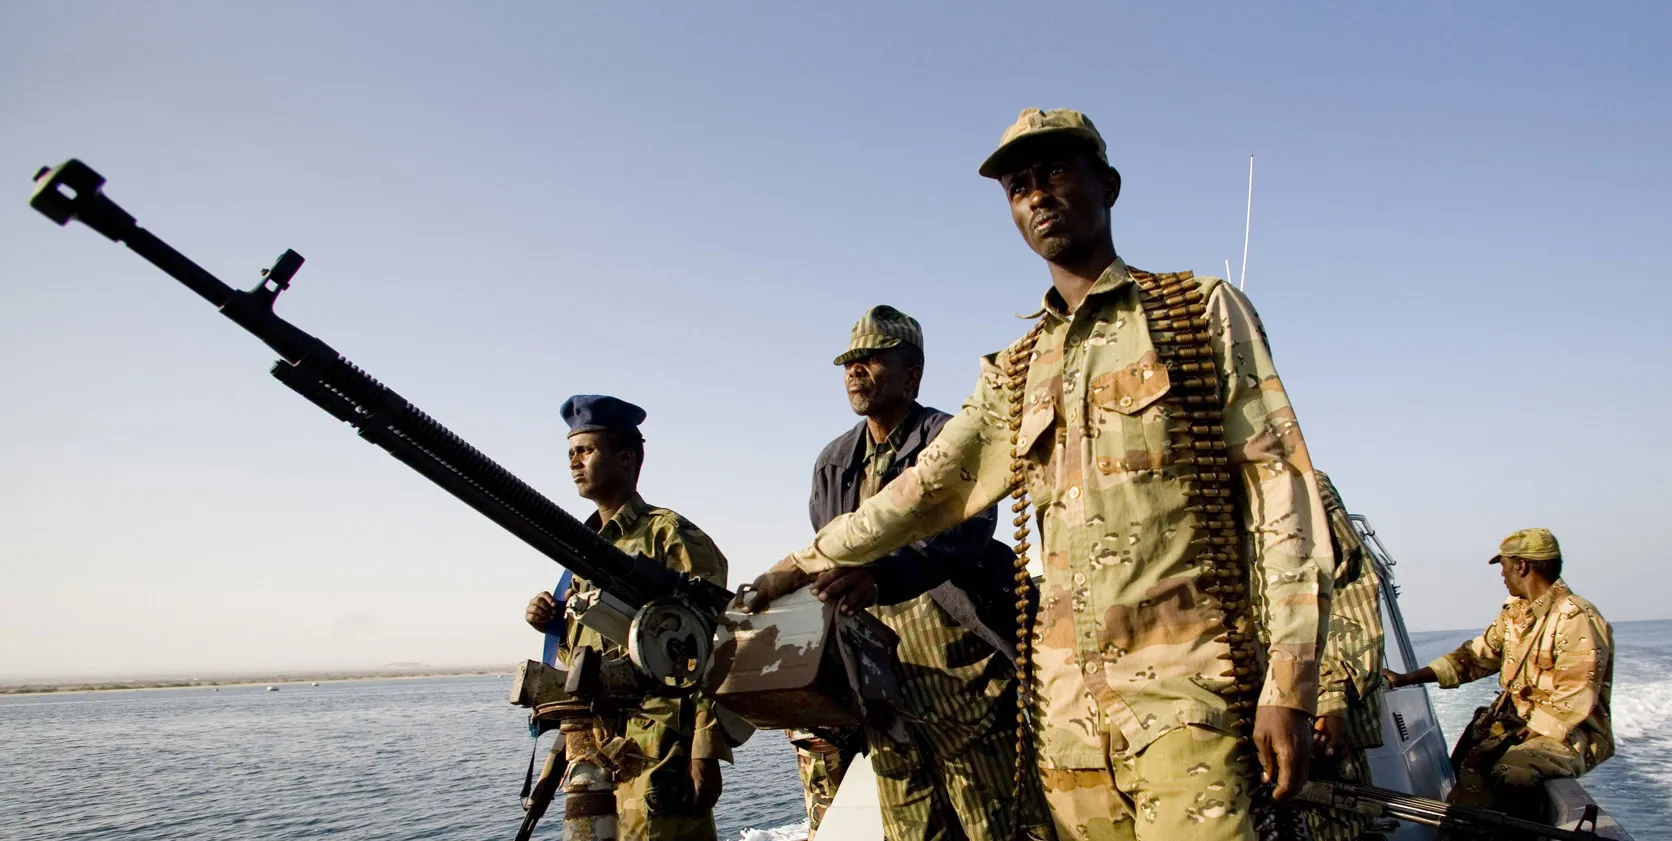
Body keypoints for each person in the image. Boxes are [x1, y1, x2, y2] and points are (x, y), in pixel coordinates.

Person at [744, 108, 1334, 841]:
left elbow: (1281, 494)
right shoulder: (1015, 371)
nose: (1037, 195)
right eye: (1019, 185)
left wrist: (1291, 682)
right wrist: (794, 567)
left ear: (1107, 185)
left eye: (1056, 172)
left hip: (1190, 699)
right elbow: (922, 491)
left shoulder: (1197, 313)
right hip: (1068, 727)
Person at [792, 304, 1027, 841]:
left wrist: (880, 575)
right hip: (884, 681)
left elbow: (966, 532)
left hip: (961, 670)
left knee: (996, 823)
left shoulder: (949, 436)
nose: (855, 371)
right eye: (850, 363)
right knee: (911, 828)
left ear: (912, 373)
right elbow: (829, 550)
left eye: (872, 360)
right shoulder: (833, 461)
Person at [524, 395, 733, 841]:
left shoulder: (669, 535)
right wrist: (553, 625)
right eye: (570, 454)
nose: (574, 463)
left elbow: (714, 645)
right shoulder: (581, 548)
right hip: (592, 743)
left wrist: (705, 750)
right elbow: (587, 652)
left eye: (586, 450)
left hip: (656, 743)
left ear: (626, 457)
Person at [1382, 528, 1614, 816]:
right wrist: (1407, 678)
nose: (1502, 575)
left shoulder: (1574, 616)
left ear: (1522, 565)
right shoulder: (1515, 612)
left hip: (1568, 732)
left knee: (1510, 771)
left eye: (1504, 567)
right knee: (1467, 759)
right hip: (1523, 725)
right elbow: (1475, 657)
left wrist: (1517, 738)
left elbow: (1576, 695)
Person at [1304, 473, 1386, 841]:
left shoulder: (1302, 485)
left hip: (1307, 708)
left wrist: (1331, 702)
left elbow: (1348, 594)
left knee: (1337, 823)